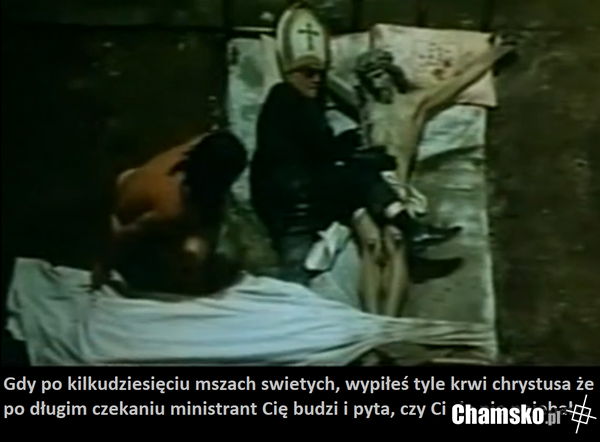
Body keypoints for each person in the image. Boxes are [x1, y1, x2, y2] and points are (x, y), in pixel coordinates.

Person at [249, 55, 461, 291]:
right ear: (290, 76)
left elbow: (313, 149)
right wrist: (347, 148)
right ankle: (411, 229)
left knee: (305, 263)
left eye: (320, 75)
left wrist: (346, 147)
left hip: (291, 194)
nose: (316, 80)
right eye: (308, 74)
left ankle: (410, 233)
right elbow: (316, 148)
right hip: (292, 192)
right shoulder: (285, 94)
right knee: (361, 179)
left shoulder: (298, 105)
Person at [351, 34, 517, 315]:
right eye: (371, 78)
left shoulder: (415, 103)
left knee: (395, 243)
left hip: (397, 184)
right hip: (367, 184)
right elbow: (334, 88)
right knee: (371, 245)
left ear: (392, 73)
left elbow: (459, 82)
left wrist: (496, 53)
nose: (377, 82)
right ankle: (369, 318)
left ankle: (388, 319)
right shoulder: (368, 109)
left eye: (380, 74)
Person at [91, 129, 248, 295]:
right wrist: (103, 269)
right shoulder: (173, 210)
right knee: (192, 252)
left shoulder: (198, 147)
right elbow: (126, 235)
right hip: (127, 210)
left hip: (134, 178)